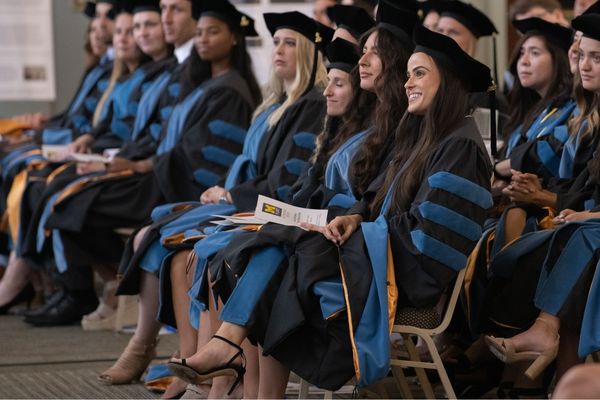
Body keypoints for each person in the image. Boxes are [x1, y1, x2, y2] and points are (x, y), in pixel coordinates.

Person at [167, 22, 493, 396]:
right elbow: (373, 202)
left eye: (419, 74)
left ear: (448, 82)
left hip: (404, 273)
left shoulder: (461, 147)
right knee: (271, 248)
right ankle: (232, 354)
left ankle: (229, 351)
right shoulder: (424, 138)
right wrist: (356, 217)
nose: (407, 83)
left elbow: (431, 244)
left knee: (279, 248)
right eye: (407, 75)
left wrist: (364, 231)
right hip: (377, 255)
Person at [104, 10, 332, 397]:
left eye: (290, 42)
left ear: (311, 52)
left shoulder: (309, 106)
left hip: (265, 206)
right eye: (276, 42)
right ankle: (191, 361)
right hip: (251, 200)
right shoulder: (273, 104)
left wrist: (231, 194)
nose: (279, 49)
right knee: (171, 242)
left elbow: (285, 180)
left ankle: (209, 371)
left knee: (189, 253)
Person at [484, 11, 600, 384]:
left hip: (589, 227)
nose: (583, 65)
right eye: (581, 55)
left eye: (596, 57)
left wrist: (583, 212)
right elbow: (585, 188)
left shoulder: (574, 114)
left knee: (566, 234)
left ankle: (535, 343)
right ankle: (527, 368)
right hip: (581, 221)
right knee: (542, 230)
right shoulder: (587, 115)